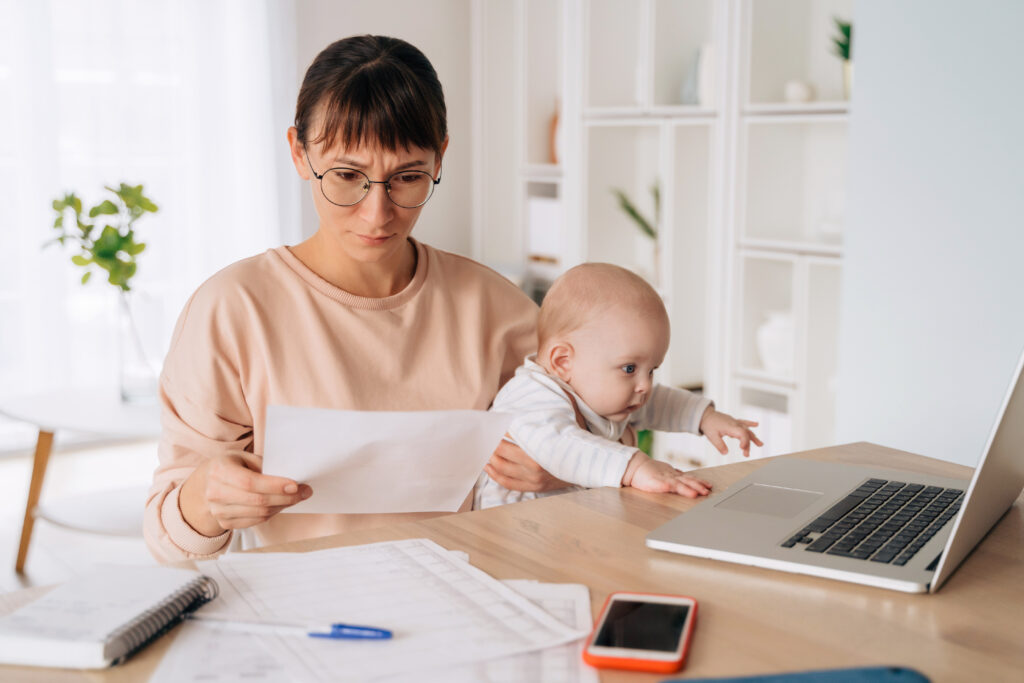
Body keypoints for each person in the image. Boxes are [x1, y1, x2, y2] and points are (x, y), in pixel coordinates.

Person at [144, 35, 547, 562]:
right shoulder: (233, 310)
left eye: (407, 178)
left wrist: (559, 467)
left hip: (465, 598)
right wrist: (204, 498)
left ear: (440, 156)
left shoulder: (496, 309)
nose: (377, 213)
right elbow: (166, 542)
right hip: (300, 612)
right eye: (347, 176)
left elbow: (608, 440)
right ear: (298, 152)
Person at [474, 263, 763, 509]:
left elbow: (658, 402)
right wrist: (635, 466)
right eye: (629, 369)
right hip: (509, 531)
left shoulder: (598, 390)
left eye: (652, 370)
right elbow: (560, 446)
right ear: (563, 362)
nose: (644, 386)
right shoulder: (532, 397)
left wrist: (704, 417)